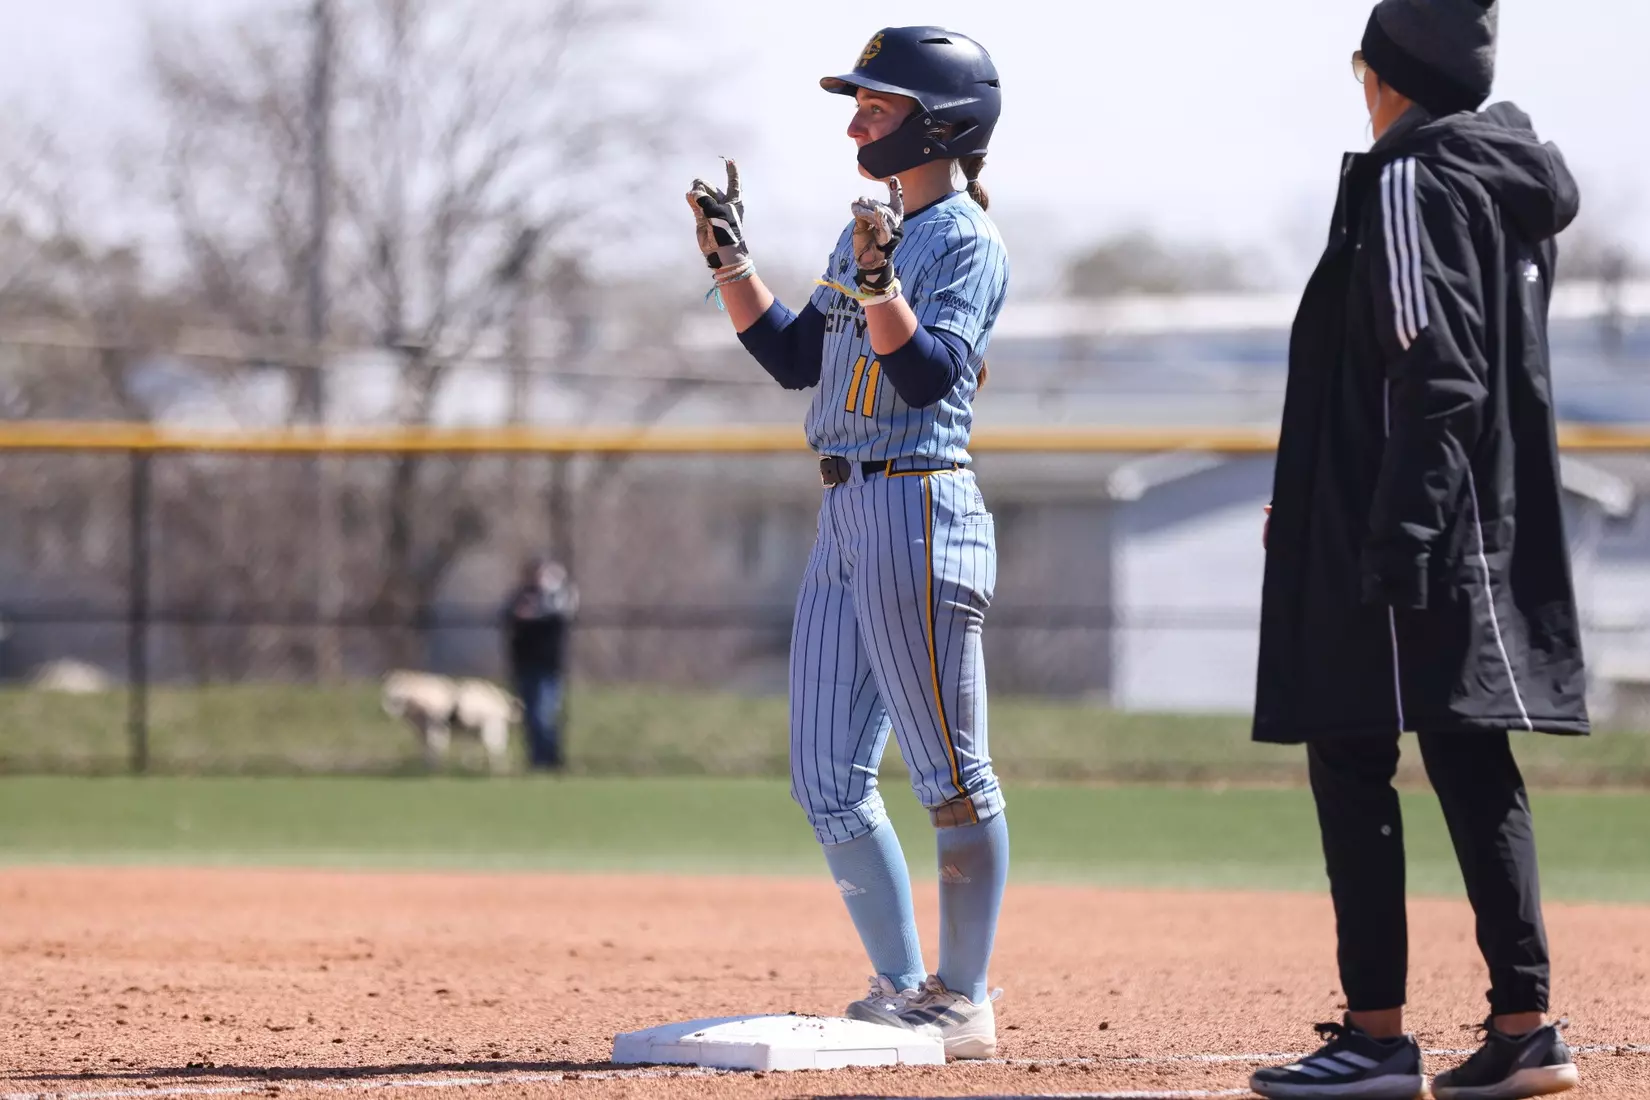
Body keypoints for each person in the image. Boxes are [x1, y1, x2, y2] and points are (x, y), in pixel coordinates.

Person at [1249, 3, 1588, 1098]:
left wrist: (1387, 532)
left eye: (1363, 65)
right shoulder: (1507, 182)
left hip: (1408, 530)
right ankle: (1525, 1024)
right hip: (1481, 522)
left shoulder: (1409, 178)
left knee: (1350, 750)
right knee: (1469, 754)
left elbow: (1432, 373)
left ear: (1386, 75)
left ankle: (1376, 1034)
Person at [685, 26, 1010, 1059]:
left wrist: (882, 283)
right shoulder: (864, 230)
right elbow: (795, 359)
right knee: (826, 772)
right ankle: (900, 983)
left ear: (939, 123)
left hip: (918, 506)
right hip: (844, 511)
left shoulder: (964, 240)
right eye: (861, 103)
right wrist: (733, 262)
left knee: (950, 772)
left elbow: (925, 376)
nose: (857, 119)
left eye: (877, 104)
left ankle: (964, 997)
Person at [502, 557, 578, 772]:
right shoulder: (520, 597)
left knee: (544, 715)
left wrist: (536, 609)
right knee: (529, 716)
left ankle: (550, 760)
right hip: (524, 665)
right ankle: (536, 760)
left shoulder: (556, 600)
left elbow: (564, 610)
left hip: (548, 667)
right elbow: (507, 614)